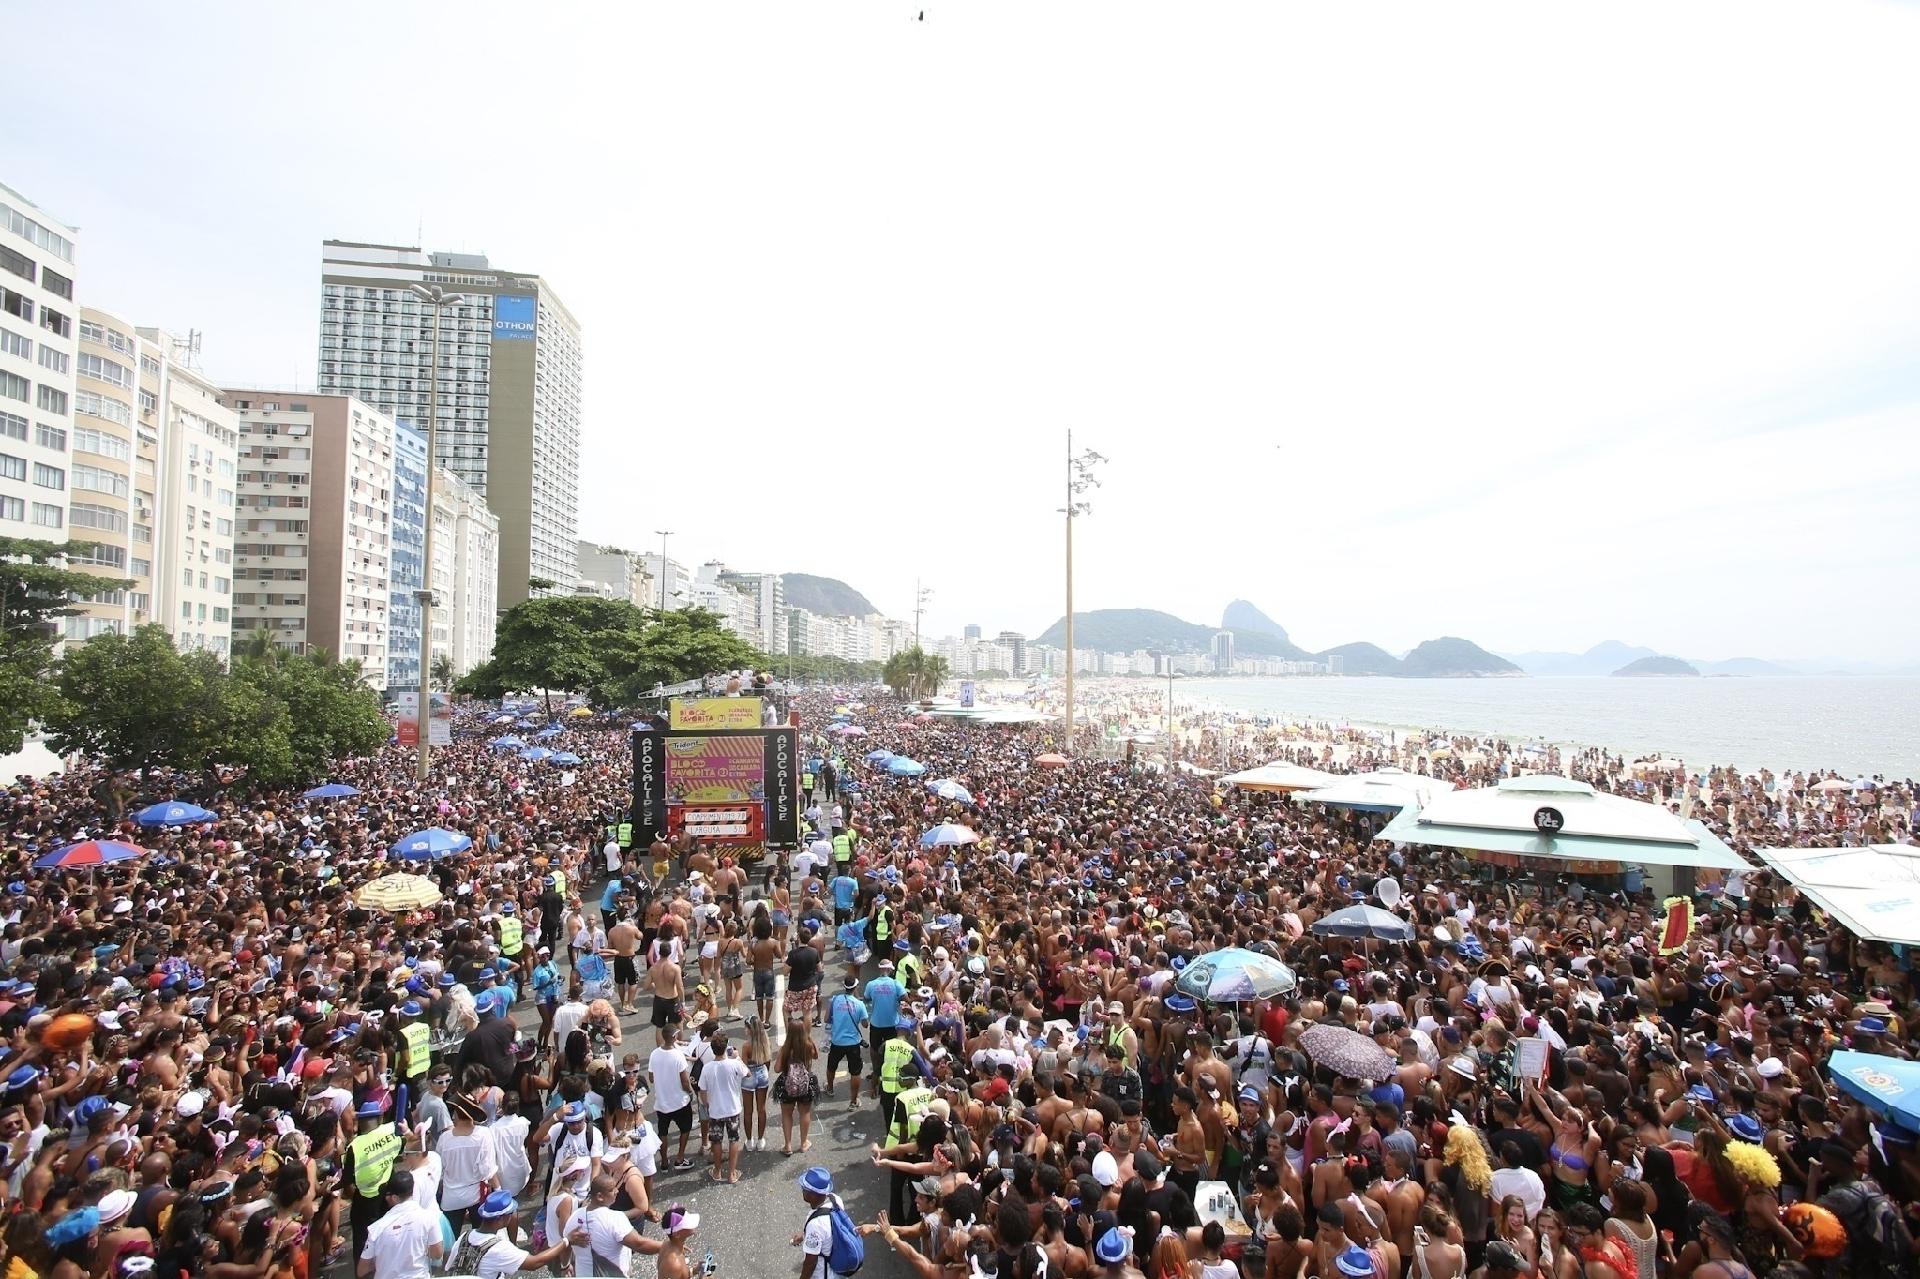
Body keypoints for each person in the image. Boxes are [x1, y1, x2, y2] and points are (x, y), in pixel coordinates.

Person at [446, 1190, 571, 1279]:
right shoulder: (499, 1248)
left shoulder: (465, 1236)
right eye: (511, 1213)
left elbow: (448, 1267)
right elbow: (534, 1263)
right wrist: (566, 1241)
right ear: (500, 1219)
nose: (513, 1216)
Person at [355, 1170, 442, 1279]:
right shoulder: (429, 1218)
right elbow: (437, 1254)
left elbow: (361, 1270)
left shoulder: (376, 1229)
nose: (386, 1198)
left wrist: (380, 1261)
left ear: (395, 1197)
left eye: (387, 1194)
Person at [699, 1030, 750, 1185]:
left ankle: (717, 1170)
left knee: (716, 1141)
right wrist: (737, 1057)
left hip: (715, 1110)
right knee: (734, 1139)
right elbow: (748, 1073)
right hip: (733, 1109)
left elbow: (702, 1090)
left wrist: (706, 1103)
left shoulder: (707, 1068)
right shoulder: (734, 1064)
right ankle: (732, 1173)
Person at [775, 1022, 821, 1155]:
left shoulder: (785, 1049)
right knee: (804, 1113)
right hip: (805, 1084)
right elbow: (816, 1056)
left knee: (786, 1114)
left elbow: (777, 1069)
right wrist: (810, 1038)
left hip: (787, 1085)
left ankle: (788, 1146)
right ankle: (803, 1143)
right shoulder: (808, 1047)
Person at [825, 977, 870, 1108]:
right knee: (855, 1072)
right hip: (853, 1043)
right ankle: (853, 1101)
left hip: (837, 1041)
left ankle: (830, 1088)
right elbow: (865, 1025)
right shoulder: (859, 1004)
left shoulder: (834, 1000)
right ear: (855, 987)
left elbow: (826, 1018)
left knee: (831, 1067)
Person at [797, 1166, 847, 1279]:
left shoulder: (816, 1225)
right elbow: (826, 1232)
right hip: (839, 1269)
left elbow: (810, 1262)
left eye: (804, 1188)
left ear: (813, 1194)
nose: (802, 1190)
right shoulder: (835, 1199)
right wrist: (805, 1235)